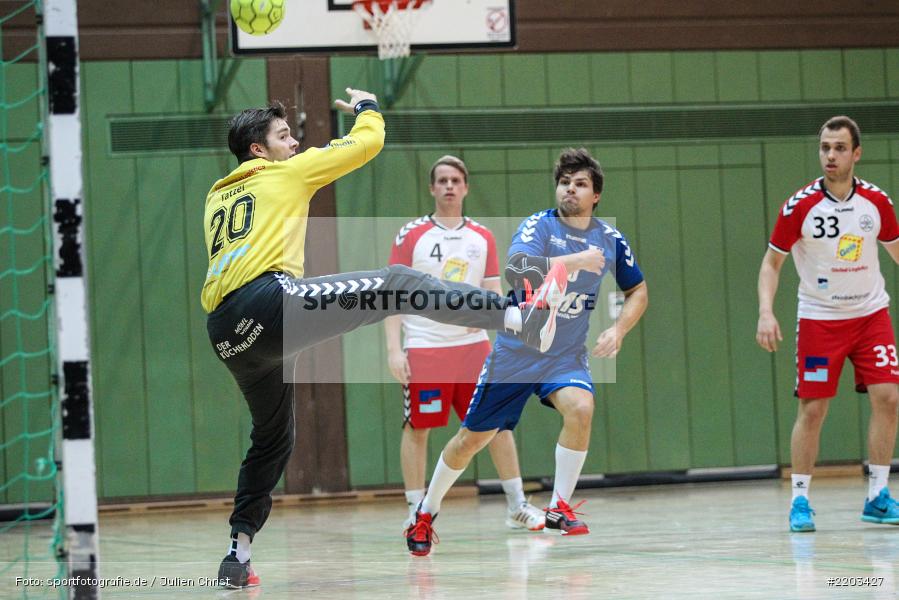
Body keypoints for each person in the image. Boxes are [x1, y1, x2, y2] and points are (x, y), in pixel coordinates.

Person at [202, 89, 568, 588]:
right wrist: (367, 107)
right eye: (284, 136)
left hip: (227, 333)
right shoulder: (284, 172)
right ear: (258, 150)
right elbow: (367, 143)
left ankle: (237, 555)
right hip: (269, 304)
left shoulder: (217, 195)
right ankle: (517, 317)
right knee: (397, 284)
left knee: (272, 439)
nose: (294, 143)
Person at [403, 148, 649, 556]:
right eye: (565, 182)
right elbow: (519, 268)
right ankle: (425, 512)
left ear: (596, 196)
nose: (570, 189)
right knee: (469, 442)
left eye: (580, 184)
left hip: (564, 356)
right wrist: (577, 261)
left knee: (581, 408)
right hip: (517, 354)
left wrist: (618, 329)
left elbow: (638, 290)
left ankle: (559, 506)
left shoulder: (609, 238)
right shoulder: (539, 225)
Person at [385, 155, 545, 532]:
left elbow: (493, 294)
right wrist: (394, 349)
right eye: (442, 180)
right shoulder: (411, 235)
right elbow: (391, 295)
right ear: (432, 188)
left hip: (474, 348)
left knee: (497, 425)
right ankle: (416, 508)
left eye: (455, 180)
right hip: (425, 346)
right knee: (418, 427)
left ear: (466, 187)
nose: (449, 186)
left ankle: (516, 505)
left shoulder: (482, 237)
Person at [756, 115, 899, 533]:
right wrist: (766, 311)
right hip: (821, 320)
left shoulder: (876, 202)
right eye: (824, 148)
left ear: (856, 153)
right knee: (814, 408)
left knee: (889, 397)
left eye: (839, 148)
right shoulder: (799, 206)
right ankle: (800, 500)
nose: (830, 155)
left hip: (871, 316)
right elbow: (771, 263)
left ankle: (877, 495)